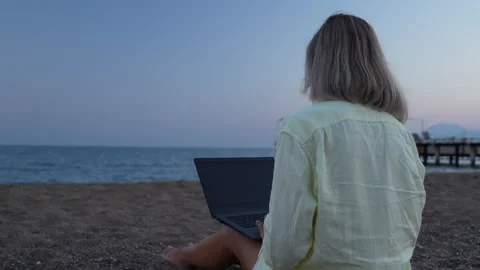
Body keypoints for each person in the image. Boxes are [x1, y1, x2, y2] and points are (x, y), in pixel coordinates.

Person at [162, 13, 426, 270]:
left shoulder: (303, 126)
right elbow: (409, 217)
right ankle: (186, 255)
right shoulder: (400, 133)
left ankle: (183, 258)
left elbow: (285, 252)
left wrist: (272, 237)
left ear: (316, 66)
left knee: (235, 235)